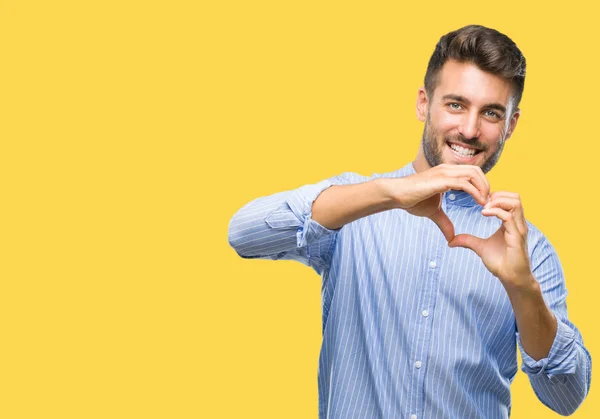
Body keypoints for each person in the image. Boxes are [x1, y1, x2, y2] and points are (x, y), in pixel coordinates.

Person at [227, 25, 592, 418]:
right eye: (455, 104)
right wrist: (391, 193)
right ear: (424, 103)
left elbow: (566, 397)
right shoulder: (355, 206)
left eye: (490, 113)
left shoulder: (528, 249)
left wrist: (522, 288)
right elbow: (244, 234)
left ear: (511, 125)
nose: (469, 130)